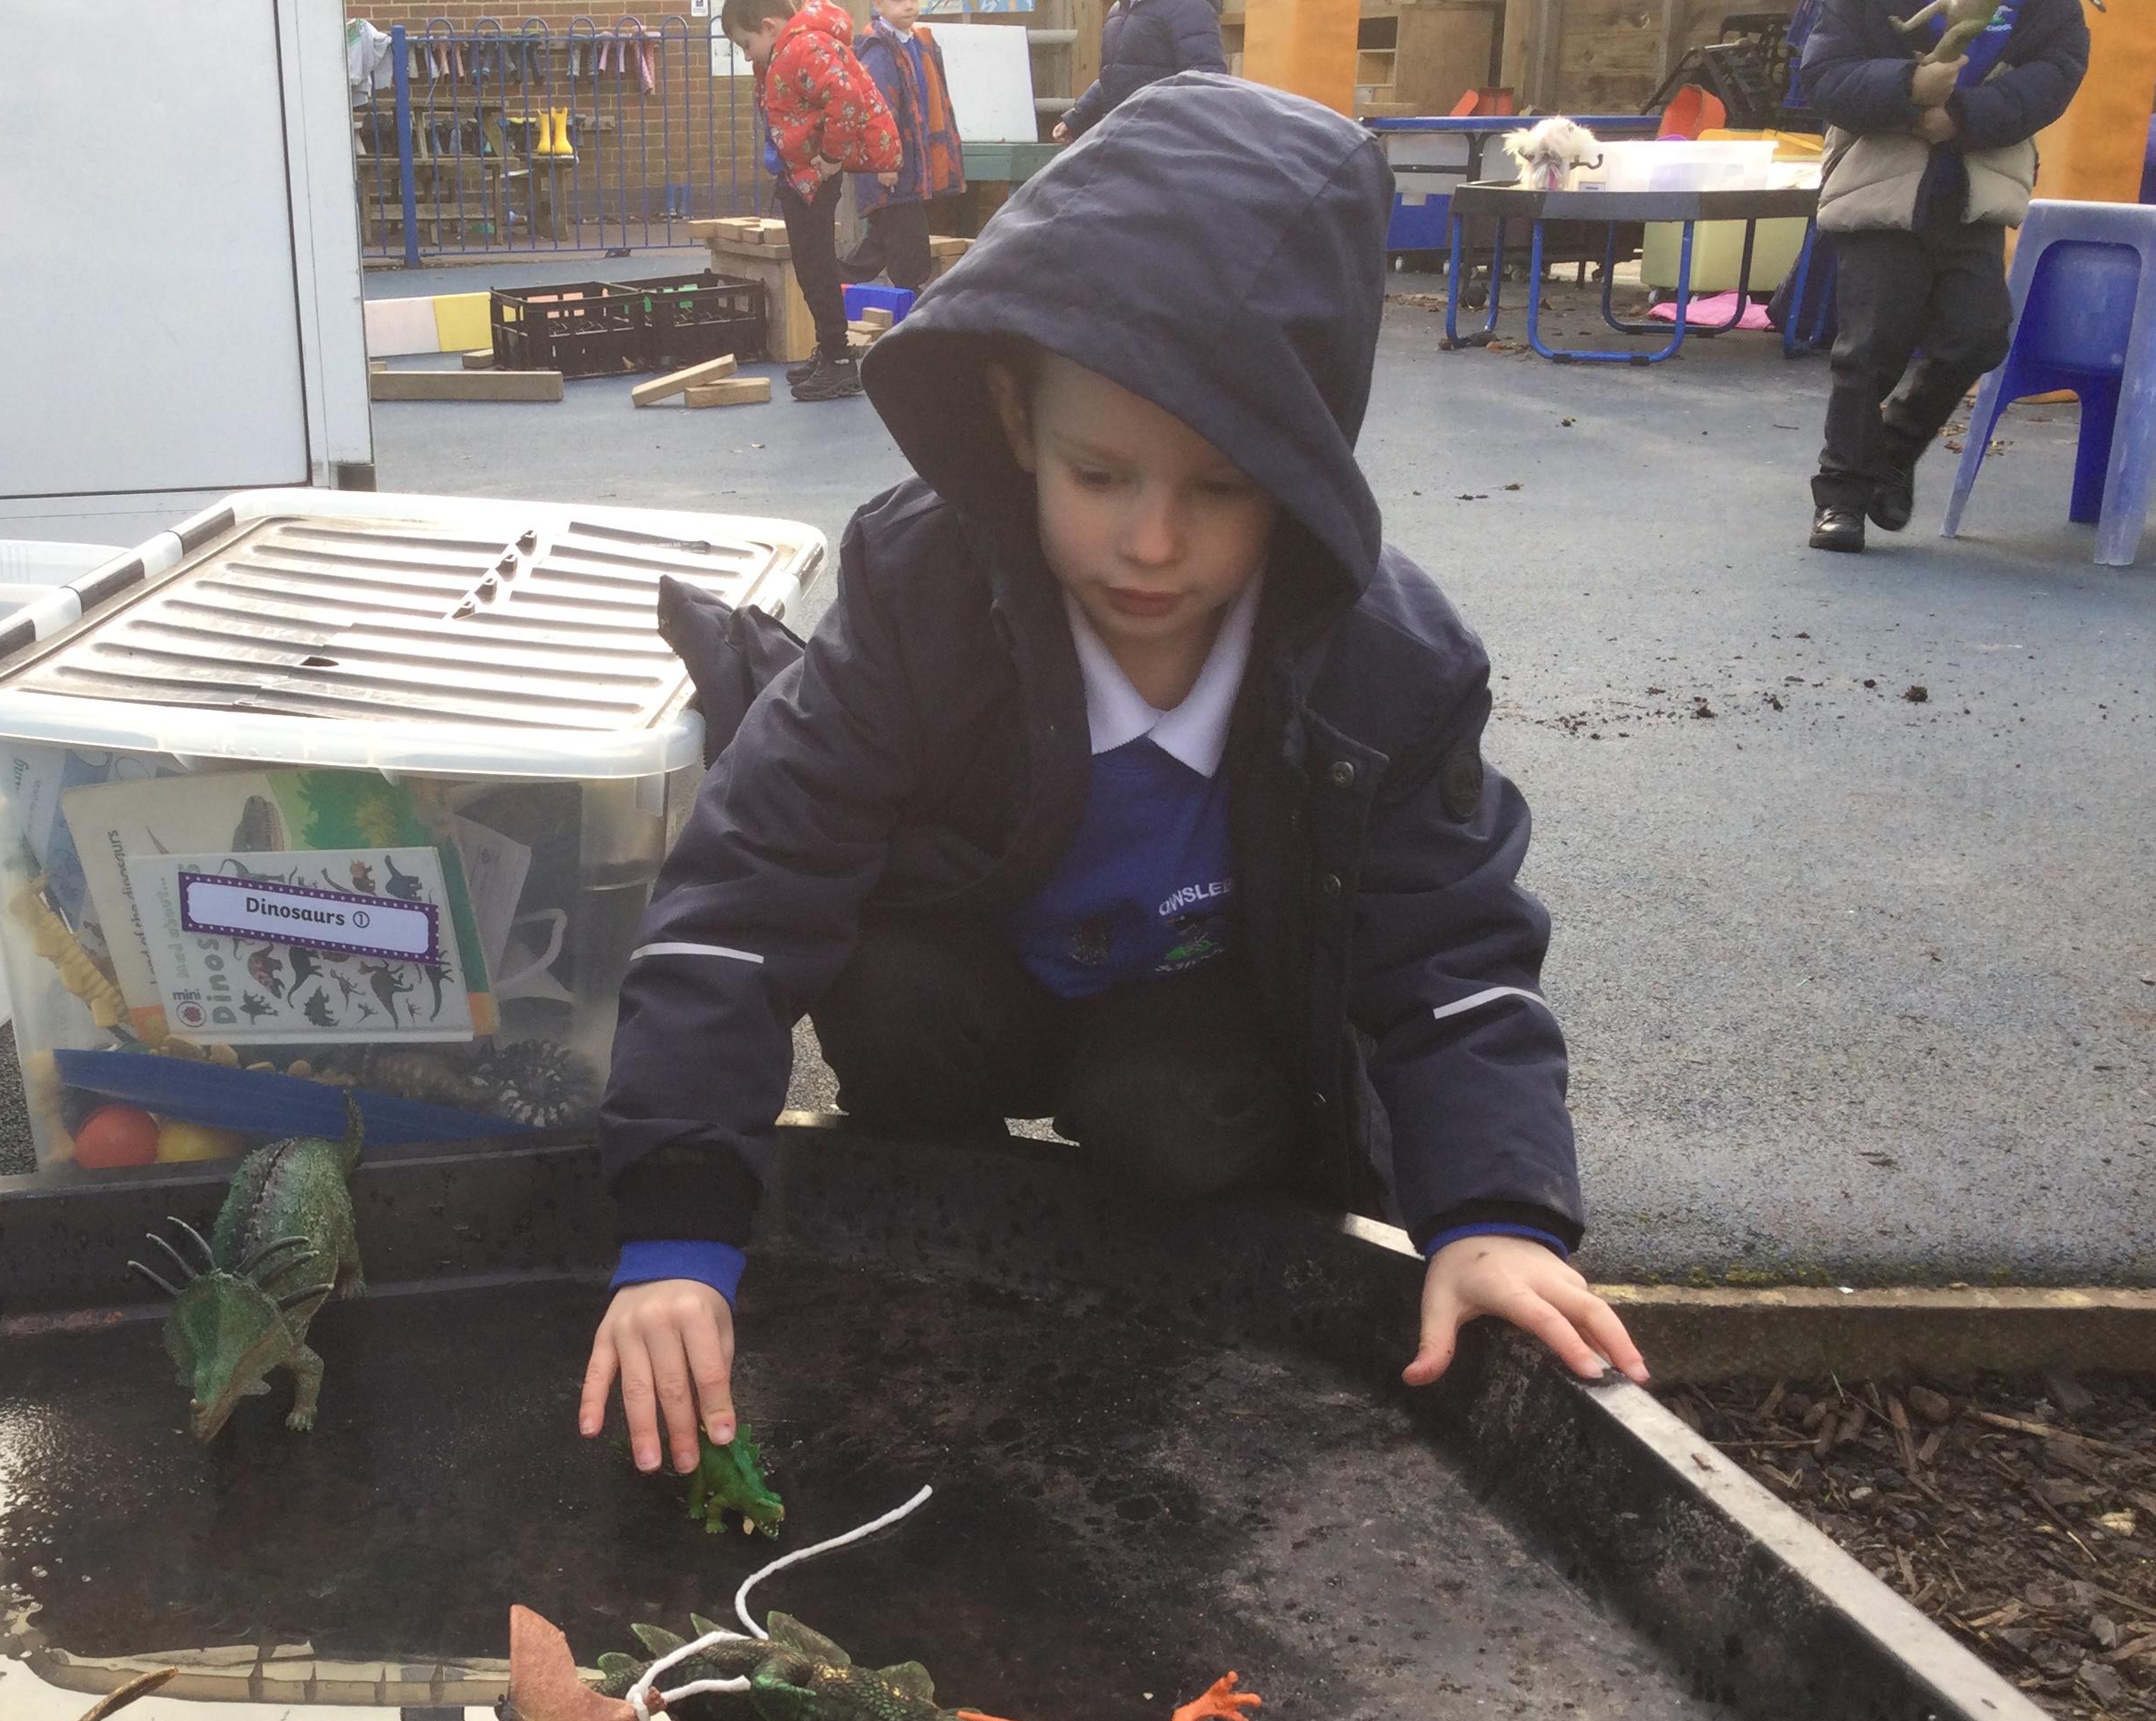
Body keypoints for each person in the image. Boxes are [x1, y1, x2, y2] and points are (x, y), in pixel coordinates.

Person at [579, 74, 1648, 1478]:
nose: (1151, 544)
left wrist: (1495, 1216)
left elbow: (1454, 958)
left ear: (1304, 468)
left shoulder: (1388, 669)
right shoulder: (921, 594)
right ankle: (937, 1209)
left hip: (1195, 1013)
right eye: (1101, 475)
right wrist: (677, 1228)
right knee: (891, 990)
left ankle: (1176, 1279)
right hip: (974, 973)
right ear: (1017, 422)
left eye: (1220, 487)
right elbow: (744, 890)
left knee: (1178, 1117)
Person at [1801, 0, 2088, 552]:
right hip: (1880, 187)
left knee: (1980, 334)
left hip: (1976, 193)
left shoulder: (2046, 6)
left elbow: (2054, 76)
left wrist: (1962, 115)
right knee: (1871, 347)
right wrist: (1909, 85)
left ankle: (1895, 448)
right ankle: (1841, 496)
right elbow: (1825, 75)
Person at [723, 0, 901, 403]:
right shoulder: (786, 51)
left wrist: (833, 156)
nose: (747, 55)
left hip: (815, 174)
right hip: (800, 173)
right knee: (808, 265)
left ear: (769, 26)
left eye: (747, 44)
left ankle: (839, 359)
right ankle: (830, 349)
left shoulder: (803, 48)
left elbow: (846, 96)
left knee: (816, 266)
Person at [852, 0, 966, 292]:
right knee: (908, 240)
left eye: (913, 0)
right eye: (898, 1)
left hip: (912, 164)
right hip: (892, 166)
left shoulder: (918, 42)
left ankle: (840, 283)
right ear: (878, 5)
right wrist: (885, 160)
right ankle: (910, 295)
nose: (908, 6)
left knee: (882, 241)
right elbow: (877, 109)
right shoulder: (878, 49)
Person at [1052, 0, 1227, 143]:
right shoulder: (1119, 11)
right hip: (1120, 139)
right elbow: (1115, 75)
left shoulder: (1190, 7)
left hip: (1163, 145)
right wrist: (1078, 118)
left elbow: (1204, 79)